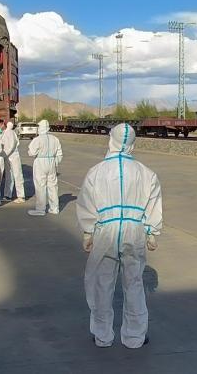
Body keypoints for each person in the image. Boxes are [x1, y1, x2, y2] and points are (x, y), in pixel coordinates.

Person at [76, 123, 163, 349]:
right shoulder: (146, 173)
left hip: (106, 231)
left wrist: (88, 232)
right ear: (133, 144)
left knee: (102, 283)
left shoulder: (97, 172)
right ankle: (135, 337)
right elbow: (153, 204)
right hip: (134, 232)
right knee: (134, 283)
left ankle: (102, 335)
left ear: (110, 140)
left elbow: (86, 203)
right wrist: (152, 232)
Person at [27, 120, 63, 216]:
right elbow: (59, 154)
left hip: (40, 162)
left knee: (40, 186)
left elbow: (31, 153)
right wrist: (55, 163)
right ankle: (54, 208)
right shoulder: (55, 139)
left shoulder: (37, 139)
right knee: (53, 186)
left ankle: (40, 209)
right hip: (51, 162)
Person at [1, 121, 25, 203]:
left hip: (13, 156)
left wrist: (4, 154)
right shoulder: (7, 133)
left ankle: (21, 196)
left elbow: (11, 146)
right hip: (9, 157)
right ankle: (8, 195)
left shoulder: (10, 133)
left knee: (17, 175)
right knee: (9, 176)